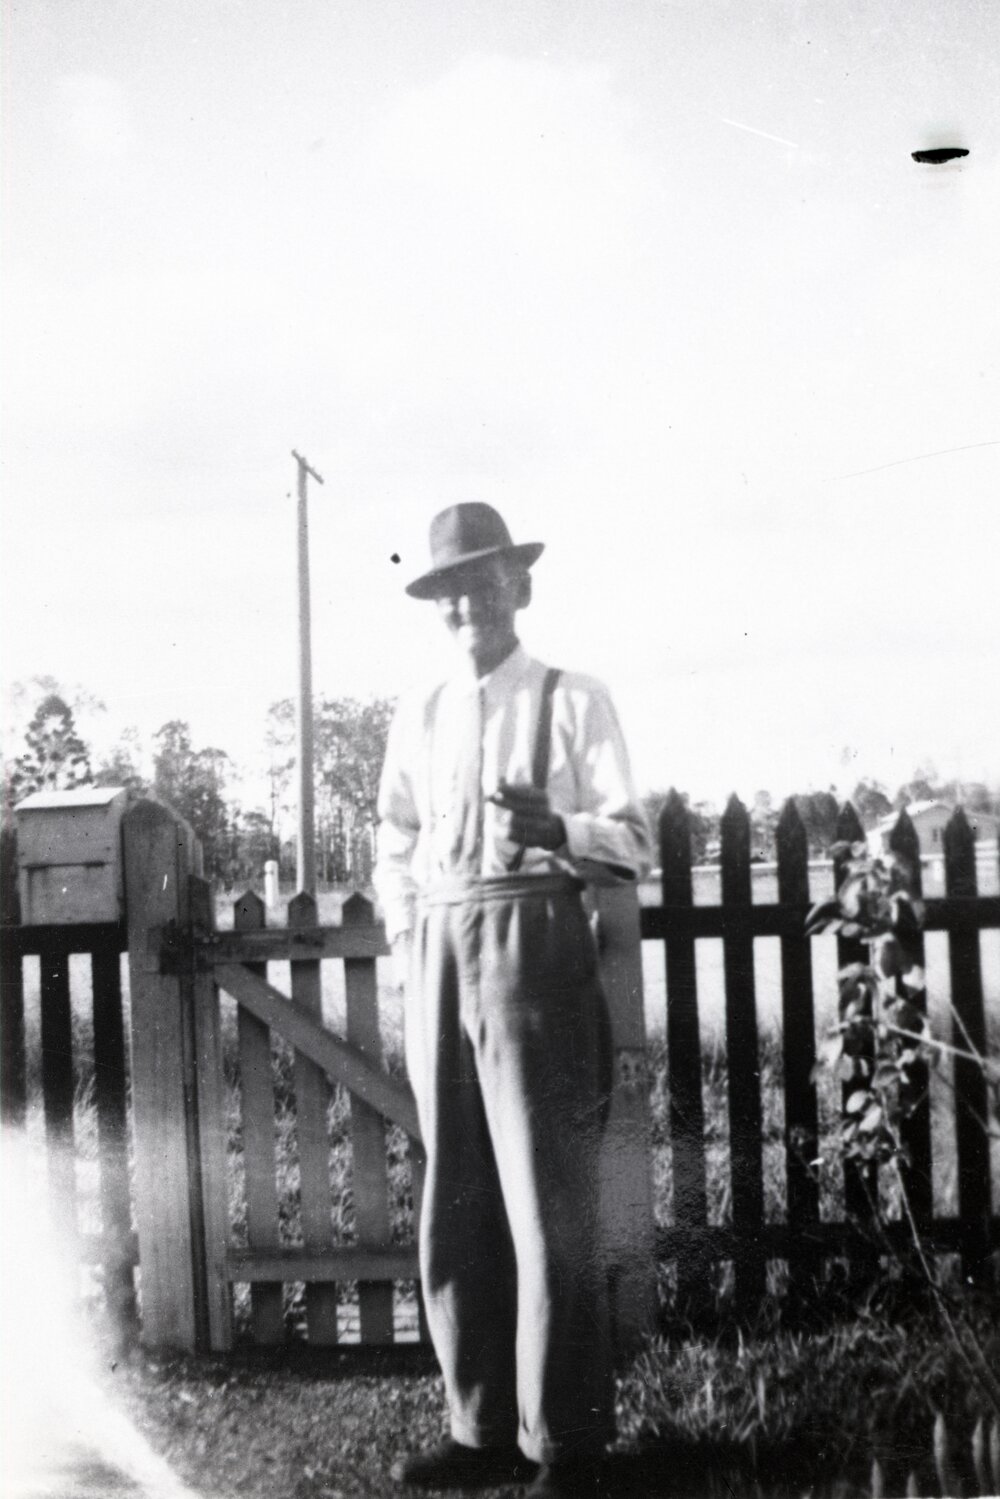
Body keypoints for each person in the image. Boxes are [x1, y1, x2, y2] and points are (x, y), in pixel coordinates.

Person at [375, 502, 651, 1498]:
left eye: (484, 582)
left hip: (536, 946)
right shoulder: (418, 711)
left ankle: (565, 1444)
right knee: (458, 1198)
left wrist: (561, 825)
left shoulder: (575, 699)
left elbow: (630, 841)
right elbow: (393, 839)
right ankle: (479, 1424)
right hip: (441, 952)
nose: (466, 604)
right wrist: (411, 935)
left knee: (548, 1201)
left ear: (519, 588)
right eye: (449, 588)